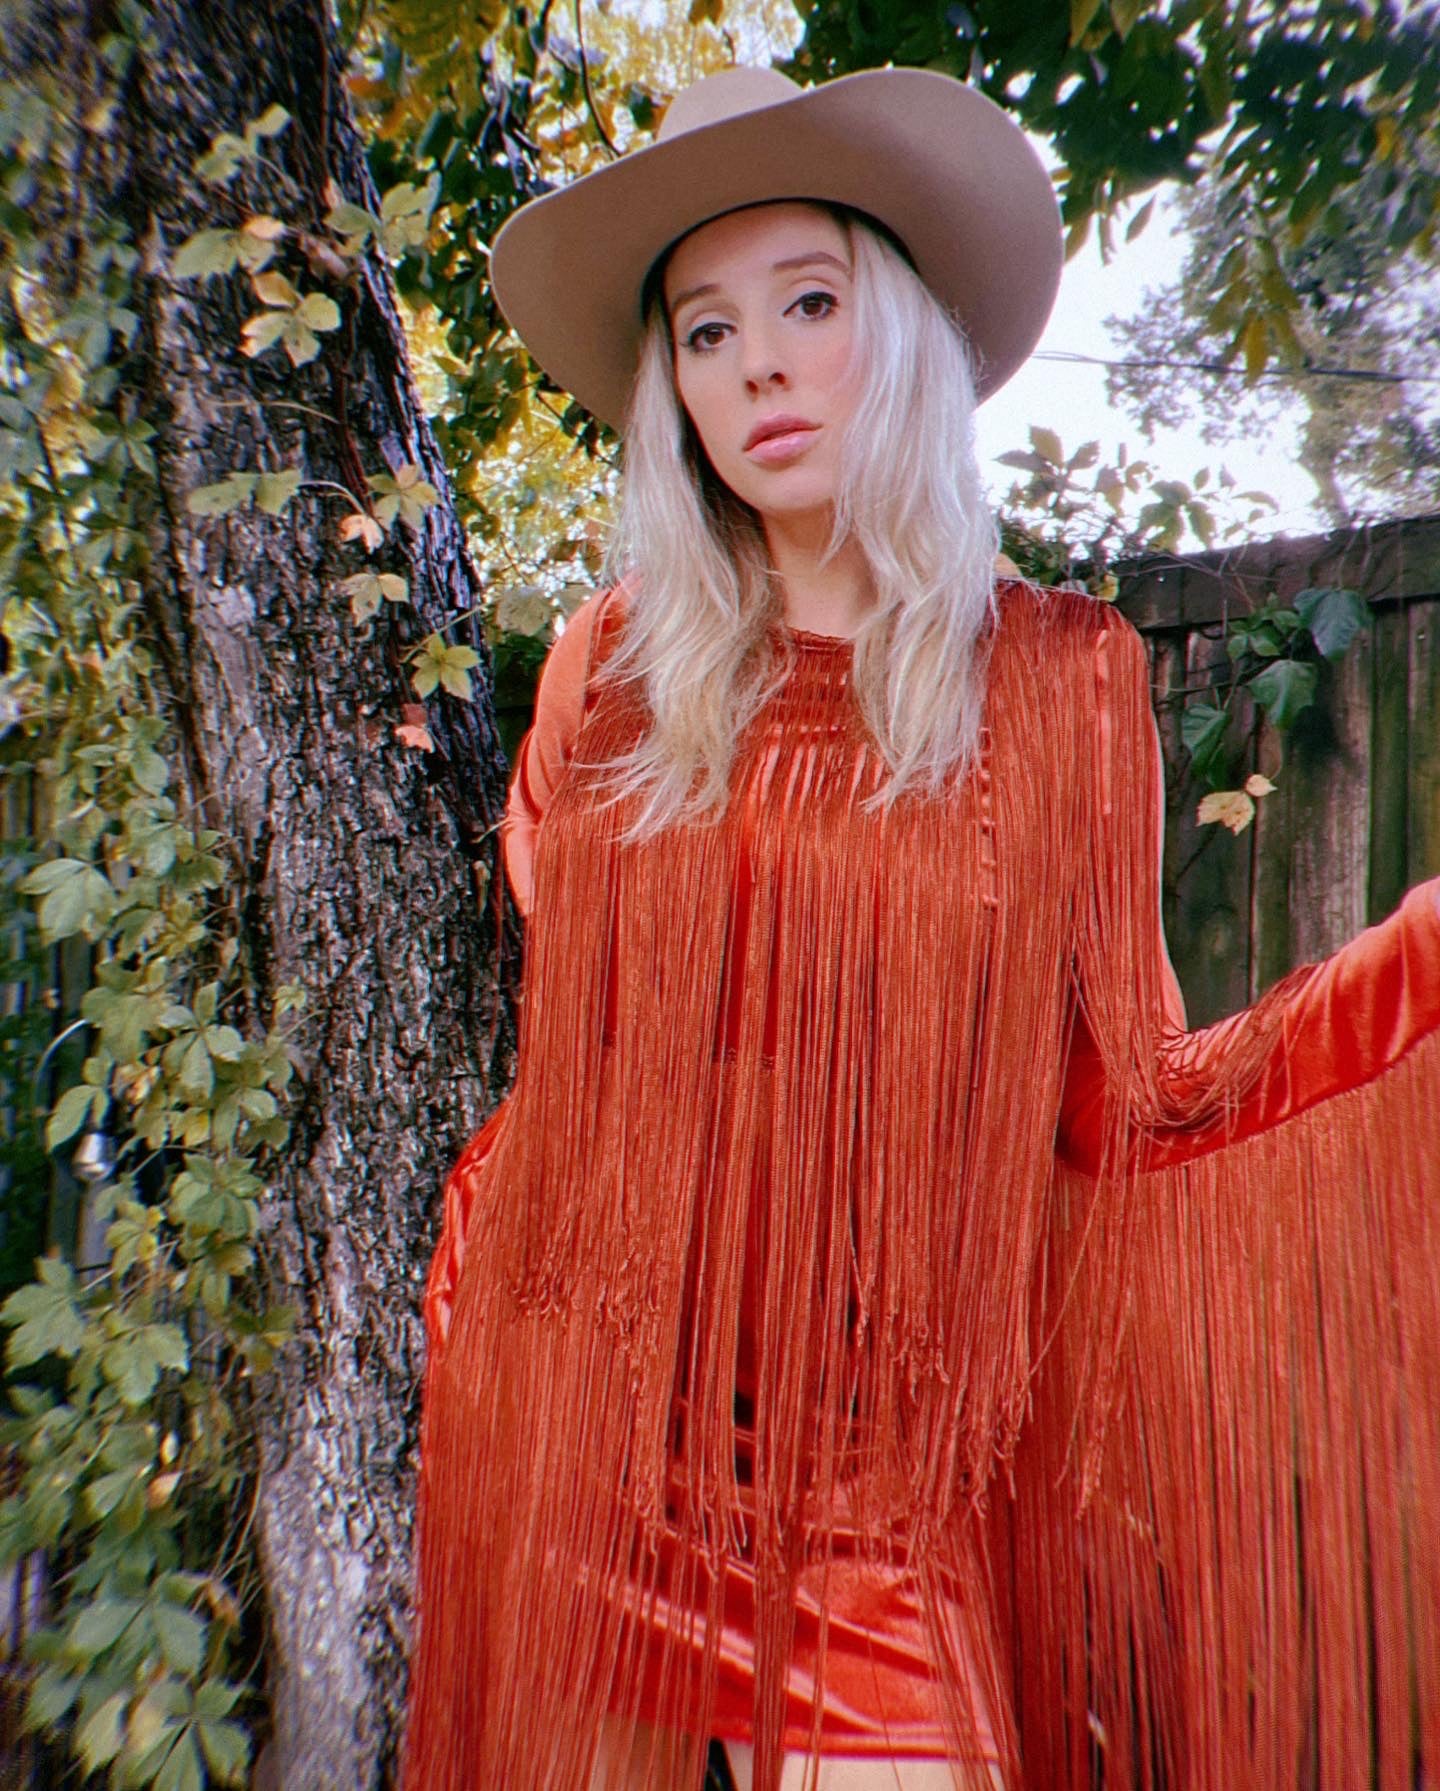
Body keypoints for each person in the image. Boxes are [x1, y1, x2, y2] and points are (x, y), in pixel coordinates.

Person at [398, 64, 1440, 1791]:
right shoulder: (613, 671)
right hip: (583, 1411)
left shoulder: (1054, 679)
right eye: (705, 332)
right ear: (672, 388)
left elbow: (1129, 1096)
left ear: (899, 329)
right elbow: (569, 1020)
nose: (761, 367)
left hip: (872, 1471)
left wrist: (1416, 963)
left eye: (808, 301)